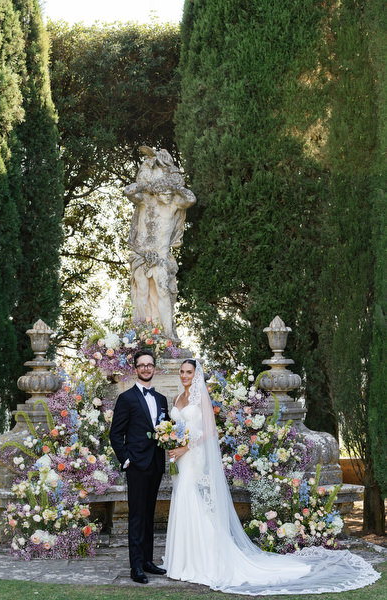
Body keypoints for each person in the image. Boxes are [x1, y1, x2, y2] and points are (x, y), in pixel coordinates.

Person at [163, 359, 380, 595]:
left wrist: (186, 447)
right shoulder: (176, 399)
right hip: (180, 460)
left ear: (196, 375)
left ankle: (204, 561)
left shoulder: (200, 398)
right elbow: (176, 428)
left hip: (194, 458)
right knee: (184, 500)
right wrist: (172, 442)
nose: (185, 376)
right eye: (182, 372)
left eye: (189, 372)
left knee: (195, 502)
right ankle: (183, 560)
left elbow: (211, 431)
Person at [109, 349, 169, 584]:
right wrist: (126, 459)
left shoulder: (162, 399)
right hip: (136, 465)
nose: (146, 368)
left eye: (149, 365)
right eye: (141, 365)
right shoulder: (126, 398)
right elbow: (116, 434)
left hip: (155, 464)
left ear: (154, 368)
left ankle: (147, 561)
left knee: (149, 515)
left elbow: (165, 430)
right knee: (136, 516)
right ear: (135, 369)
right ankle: (136, 567)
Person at [125, 146, 196, 340]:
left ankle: (168, 335)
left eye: (169, 192)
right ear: (156, 192)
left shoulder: (174, 204)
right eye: (162, 191)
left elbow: (191, 198)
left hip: (162, 257)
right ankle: (141, 336)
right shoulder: (146, 202)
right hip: (141, 255)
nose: (167, 195)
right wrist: (145, 185)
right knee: (142, 294)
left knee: (164, 294)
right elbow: (128, 190)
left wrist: (176, 185)